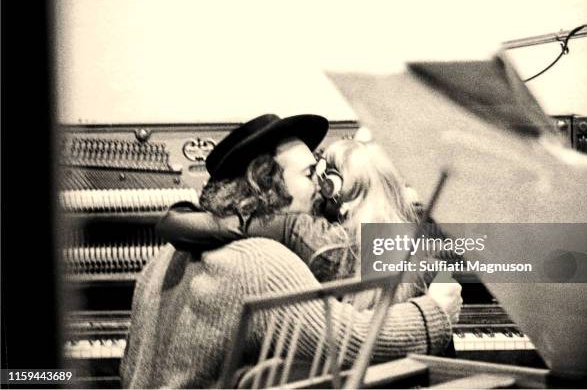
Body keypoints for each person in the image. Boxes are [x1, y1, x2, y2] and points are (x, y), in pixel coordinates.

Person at [120, 114, 461, 388]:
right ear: (268, 182)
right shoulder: (261, 260)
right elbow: (353, 342)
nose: (322, 188)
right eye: (310, 173)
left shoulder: (163, 257)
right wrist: (434, 312)